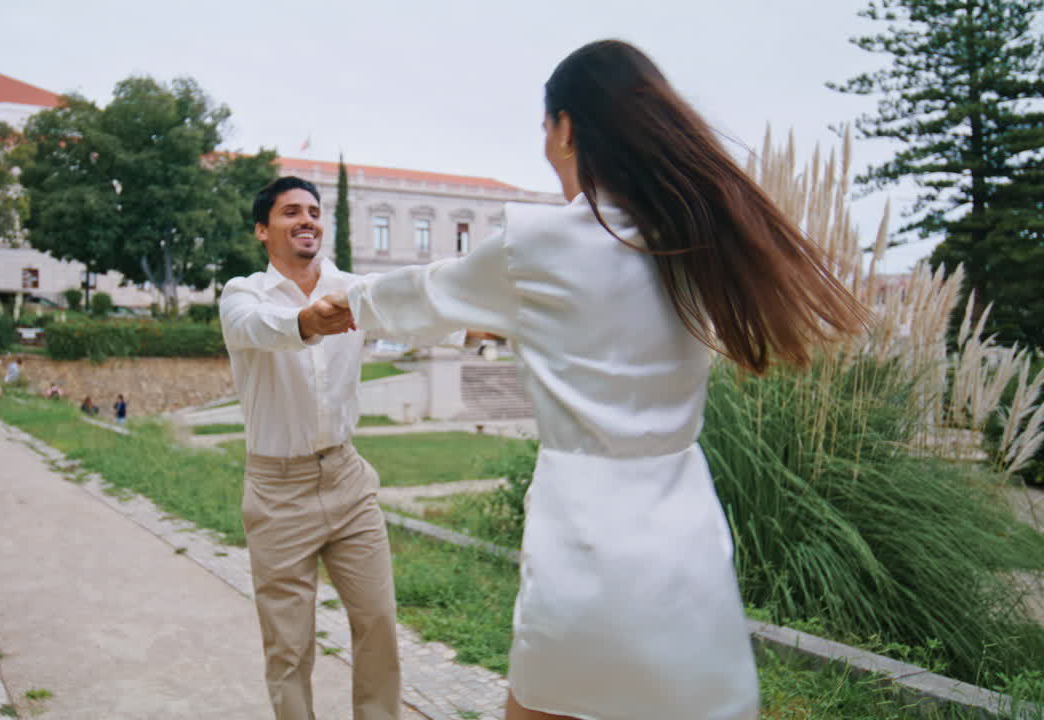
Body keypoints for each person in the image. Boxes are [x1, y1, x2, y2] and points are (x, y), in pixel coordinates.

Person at [326, 40, 868, 720]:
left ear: (567, 129)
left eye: (544, 128)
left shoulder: (539, 245)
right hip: (685, 542)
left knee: (541, 706)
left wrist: (331, 307)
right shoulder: (697, 240)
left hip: (583, 540)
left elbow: (422, 294)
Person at [220, 176, 431, 720]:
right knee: (289, 647)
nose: (307, 219)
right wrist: (306, 321)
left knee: (379, 622)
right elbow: (253, 328)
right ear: (262, 230)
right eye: (291, 212)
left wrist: (480, 329)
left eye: (313, 211)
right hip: (277, 492)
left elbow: (412, 311)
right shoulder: (243, 294)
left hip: (346, 478)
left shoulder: (353, 289)